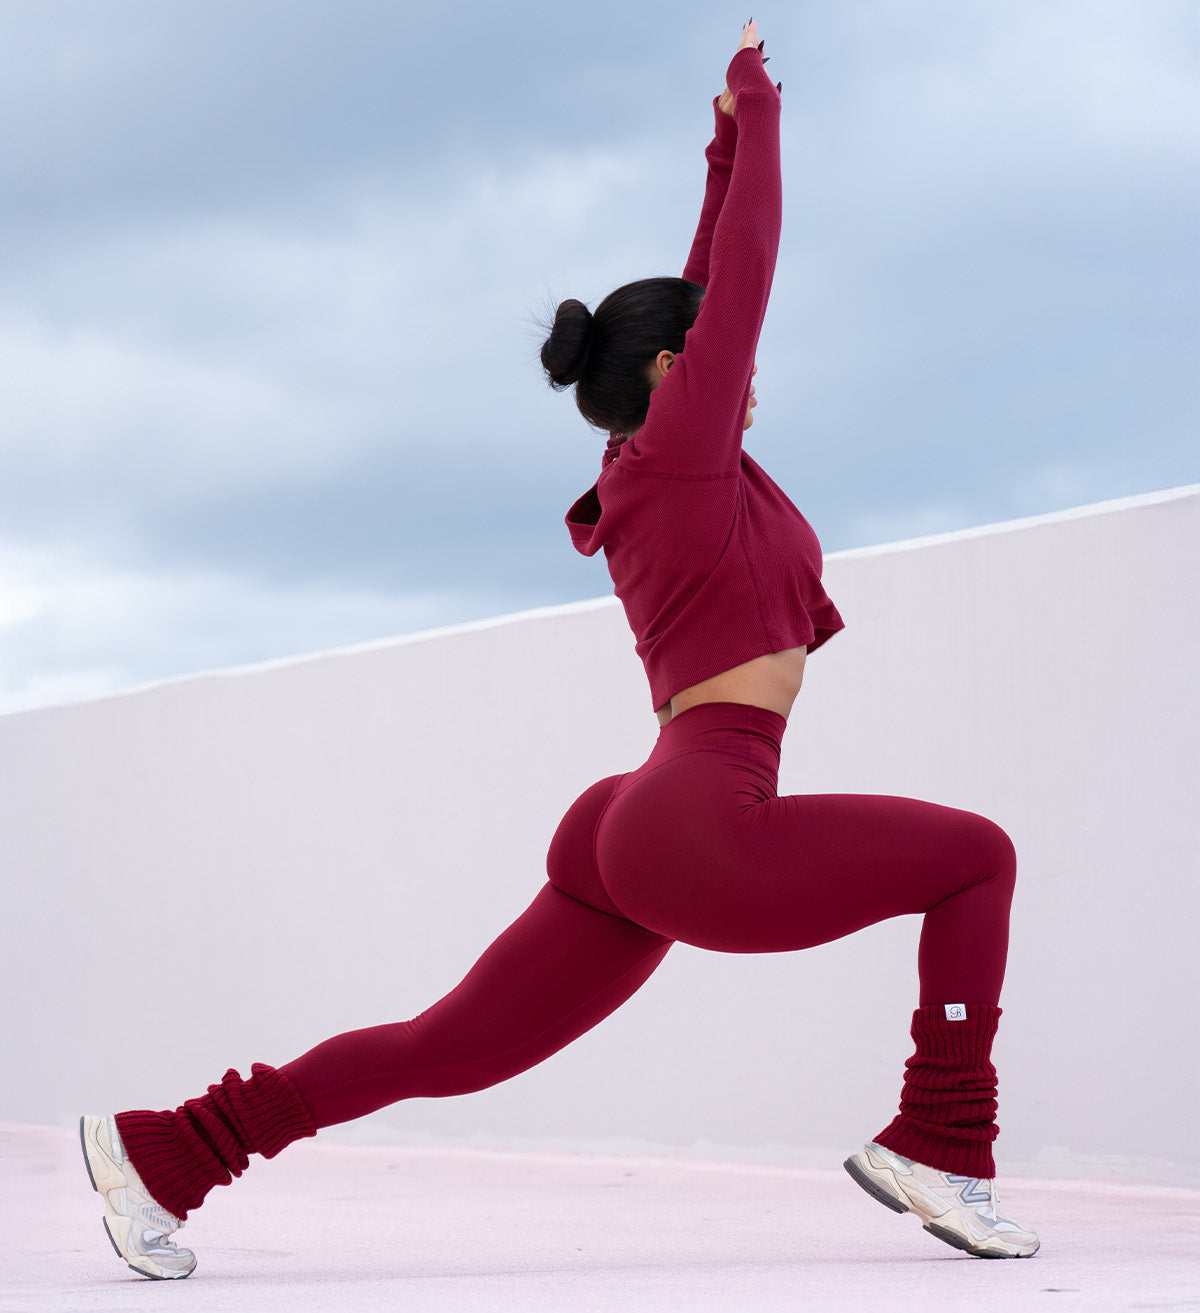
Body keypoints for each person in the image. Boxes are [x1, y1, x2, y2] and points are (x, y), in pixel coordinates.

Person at [80, 23, 1039, 1281]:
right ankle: (940, 1140)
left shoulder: (653, 464)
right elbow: (745, 271)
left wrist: (719, 145)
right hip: (698, 815)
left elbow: (708, 281)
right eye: (714, 359)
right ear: (670, 371)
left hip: (634, 818)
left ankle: (169, 1150)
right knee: (978, 857)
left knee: (442, 1045)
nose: (750, 373)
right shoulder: (682, 458)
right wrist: (762, 104)